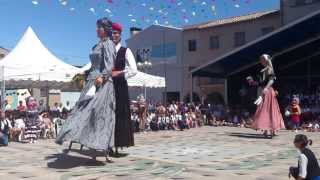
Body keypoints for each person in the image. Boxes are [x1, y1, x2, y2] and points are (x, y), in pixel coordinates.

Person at [56, 17, 116, 162]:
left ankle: (99, 143)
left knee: (94, 113)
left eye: (99, 28)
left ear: (105, 29)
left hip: (101, 83)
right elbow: (94, 64)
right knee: (80, 111)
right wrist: (85, 73)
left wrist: (103, 76)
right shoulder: (97, 45)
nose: (97, 30)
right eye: (97, 27)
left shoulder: (108, 44)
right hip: (91, 81)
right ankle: (73, 134)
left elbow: (110, 64)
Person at [111, 22, 137, 153]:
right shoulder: (107, 50)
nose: (113, 35)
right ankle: (108, 144)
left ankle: (118, 143)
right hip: (108, 87)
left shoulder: (126, 51)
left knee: (119, 115)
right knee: (108, 115)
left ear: (120, 35)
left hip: (120, 87)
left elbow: (134, 70)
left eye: (116, 33)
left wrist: (119, 73)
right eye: (112, 33)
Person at [252, 54, 285, 138]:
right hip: (265, 90)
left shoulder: (269, 69)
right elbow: (262, 82)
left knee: (268, 109)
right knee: (267, 109)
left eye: (262, 59)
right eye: (260, 59)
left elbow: (271, 81)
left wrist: (266, 88)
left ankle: (271, 130)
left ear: (266, 60)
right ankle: (267, 129)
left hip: (268, 91)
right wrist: (254, 83)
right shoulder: (263, 70)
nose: (260, 61)